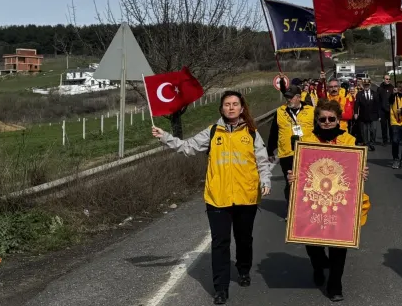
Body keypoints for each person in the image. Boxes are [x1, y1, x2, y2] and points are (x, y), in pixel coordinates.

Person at [151, 91, 272, 305]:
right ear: (221, 109)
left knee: (244, 239)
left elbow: (262, 161)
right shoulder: (213, 132)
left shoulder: (251, 133)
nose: (231, 108)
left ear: (242, 108)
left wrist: (266, 181)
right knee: (220, 243)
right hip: (218, 198)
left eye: (235, 104)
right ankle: (220, 289)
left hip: (247, 196)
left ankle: (243, 270)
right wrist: (165, 137)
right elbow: (188, 148)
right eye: (227, 104)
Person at [286, 99, 371, 302]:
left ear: (338, 120)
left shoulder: (349, 141)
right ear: (317, 119)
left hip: (339, 200)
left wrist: (362, 172)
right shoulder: (305, 140)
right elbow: (300, 169)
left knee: (338, 245)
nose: (326, 122)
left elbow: (353, 170)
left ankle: (335, 285)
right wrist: (293, 177)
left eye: (331, 118)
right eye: (322, 118)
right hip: (313, 199)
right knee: (311, 242)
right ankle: (317, 265)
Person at [267, 82, 315, 216]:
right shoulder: (280, 111)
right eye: (287, 97)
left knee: (308, 182)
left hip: (307, 153)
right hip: (287, 153)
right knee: (290, 183)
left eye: (291, 97)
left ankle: (308, 210)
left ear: (298, 97)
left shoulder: (310, 111)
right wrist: (270, 150)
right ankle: (291, 212)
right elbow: (274, 132)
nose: (288, 100)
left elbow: (318, 130)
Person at [355, 78, 379, 151]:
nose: (366, 86)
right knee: (364, 131)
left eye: (368, 85)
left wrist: (379, 115)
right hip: (363, 115)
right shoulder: (359, 94)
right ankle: (366, 143)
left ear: (370, 85)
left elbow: (378, 105)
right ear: (363, 85)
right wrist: (356, 113)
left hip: (373, 115)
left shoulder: (374, 93)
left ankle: (371, 143)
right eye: (365, 85)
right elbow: (356, 104)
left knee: (373, 130)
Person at [377, 74, 394, 145]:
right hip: (382, 110)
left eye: (389, 79)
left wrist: (395, 93)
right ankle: (385, 140)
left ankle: (392, 140)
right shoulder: (380, 88)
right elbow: (377, 100)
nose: (388, 80)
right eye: (386, 79)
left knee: (391, 126)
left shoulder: (393, 88)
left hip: (391, 110)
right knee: (383, 127)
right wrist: (378, 113)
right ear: (383, 79)